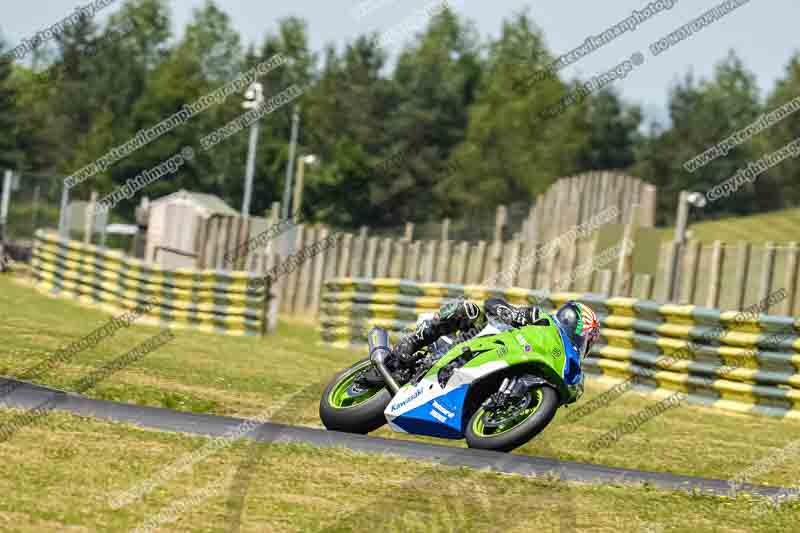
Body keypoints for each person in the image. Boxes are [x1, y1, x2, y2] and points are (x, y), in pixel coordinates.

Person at [390, 298, 600, 368]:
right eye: (583, 338)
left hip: (494, 364)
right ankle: (410, 343)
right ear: (571, 321)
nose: (582, 344)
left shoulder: (557, 360)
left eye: (586, 343)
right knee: (469, 311)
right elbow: (491, 303)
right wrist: (510, 314)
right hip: (477, 342)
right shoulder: (541, 319)